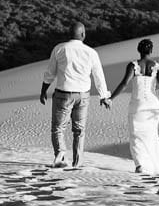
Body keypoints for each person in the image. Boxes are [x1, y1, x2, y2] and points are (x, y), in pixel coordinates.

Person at [109, 38, 159, 175]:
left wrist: (110, 98)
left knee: (136, 135)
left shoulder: (133, 65)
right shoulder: (157, 67)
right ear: (151, 50)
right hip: (153, 106)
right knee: (151, 135)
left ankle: (140, 165)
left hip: (137, 105)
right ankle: (151, 164)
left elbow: (123, 84)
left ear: (138, 50)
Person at [39, 22, 111, 168]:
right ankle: (77, 163)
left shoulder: (59, 49)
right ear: (83, 34)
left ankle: (60, 154)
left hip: (63, 94)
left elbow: (50, 73)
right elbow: (98, 76)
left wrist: (43, 90)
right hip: (83, 96)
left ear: (68, 34)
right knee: (79, 130)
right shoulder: (91, 52)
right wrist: (104, 96)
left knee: (58, 128)